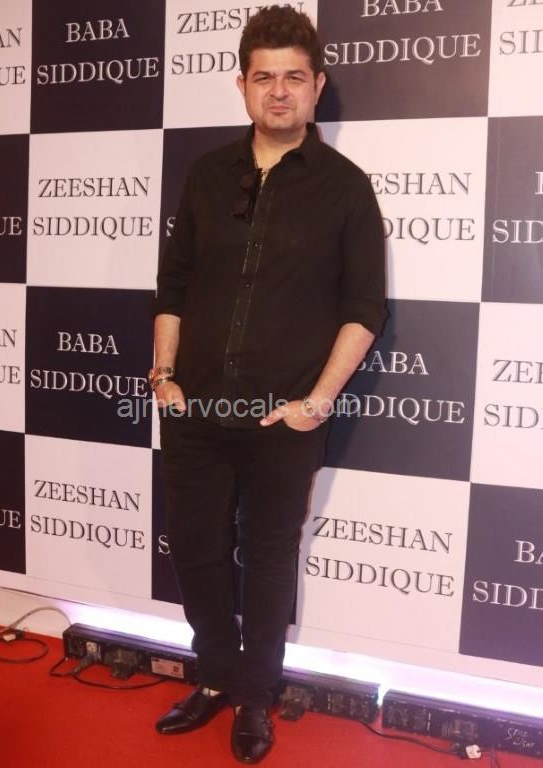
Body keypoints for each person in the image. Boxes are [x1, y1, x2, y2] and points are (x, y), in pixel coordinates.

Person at [149, 5, 387, 763]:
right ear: (242, 85)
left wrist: (315, 404)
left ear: (317, 85)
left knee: (269, 557)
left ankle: (256, 696)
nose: (278, 91)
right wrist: (164, 375)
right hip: (194, 409)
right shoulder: (206, 175)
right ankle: (215, 677)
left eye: (293, 78)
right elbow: (174, 285)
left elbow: (365, 310)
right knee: (195, 553)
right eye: (263, 78)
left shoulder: (347, 189)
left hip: (283, 420)